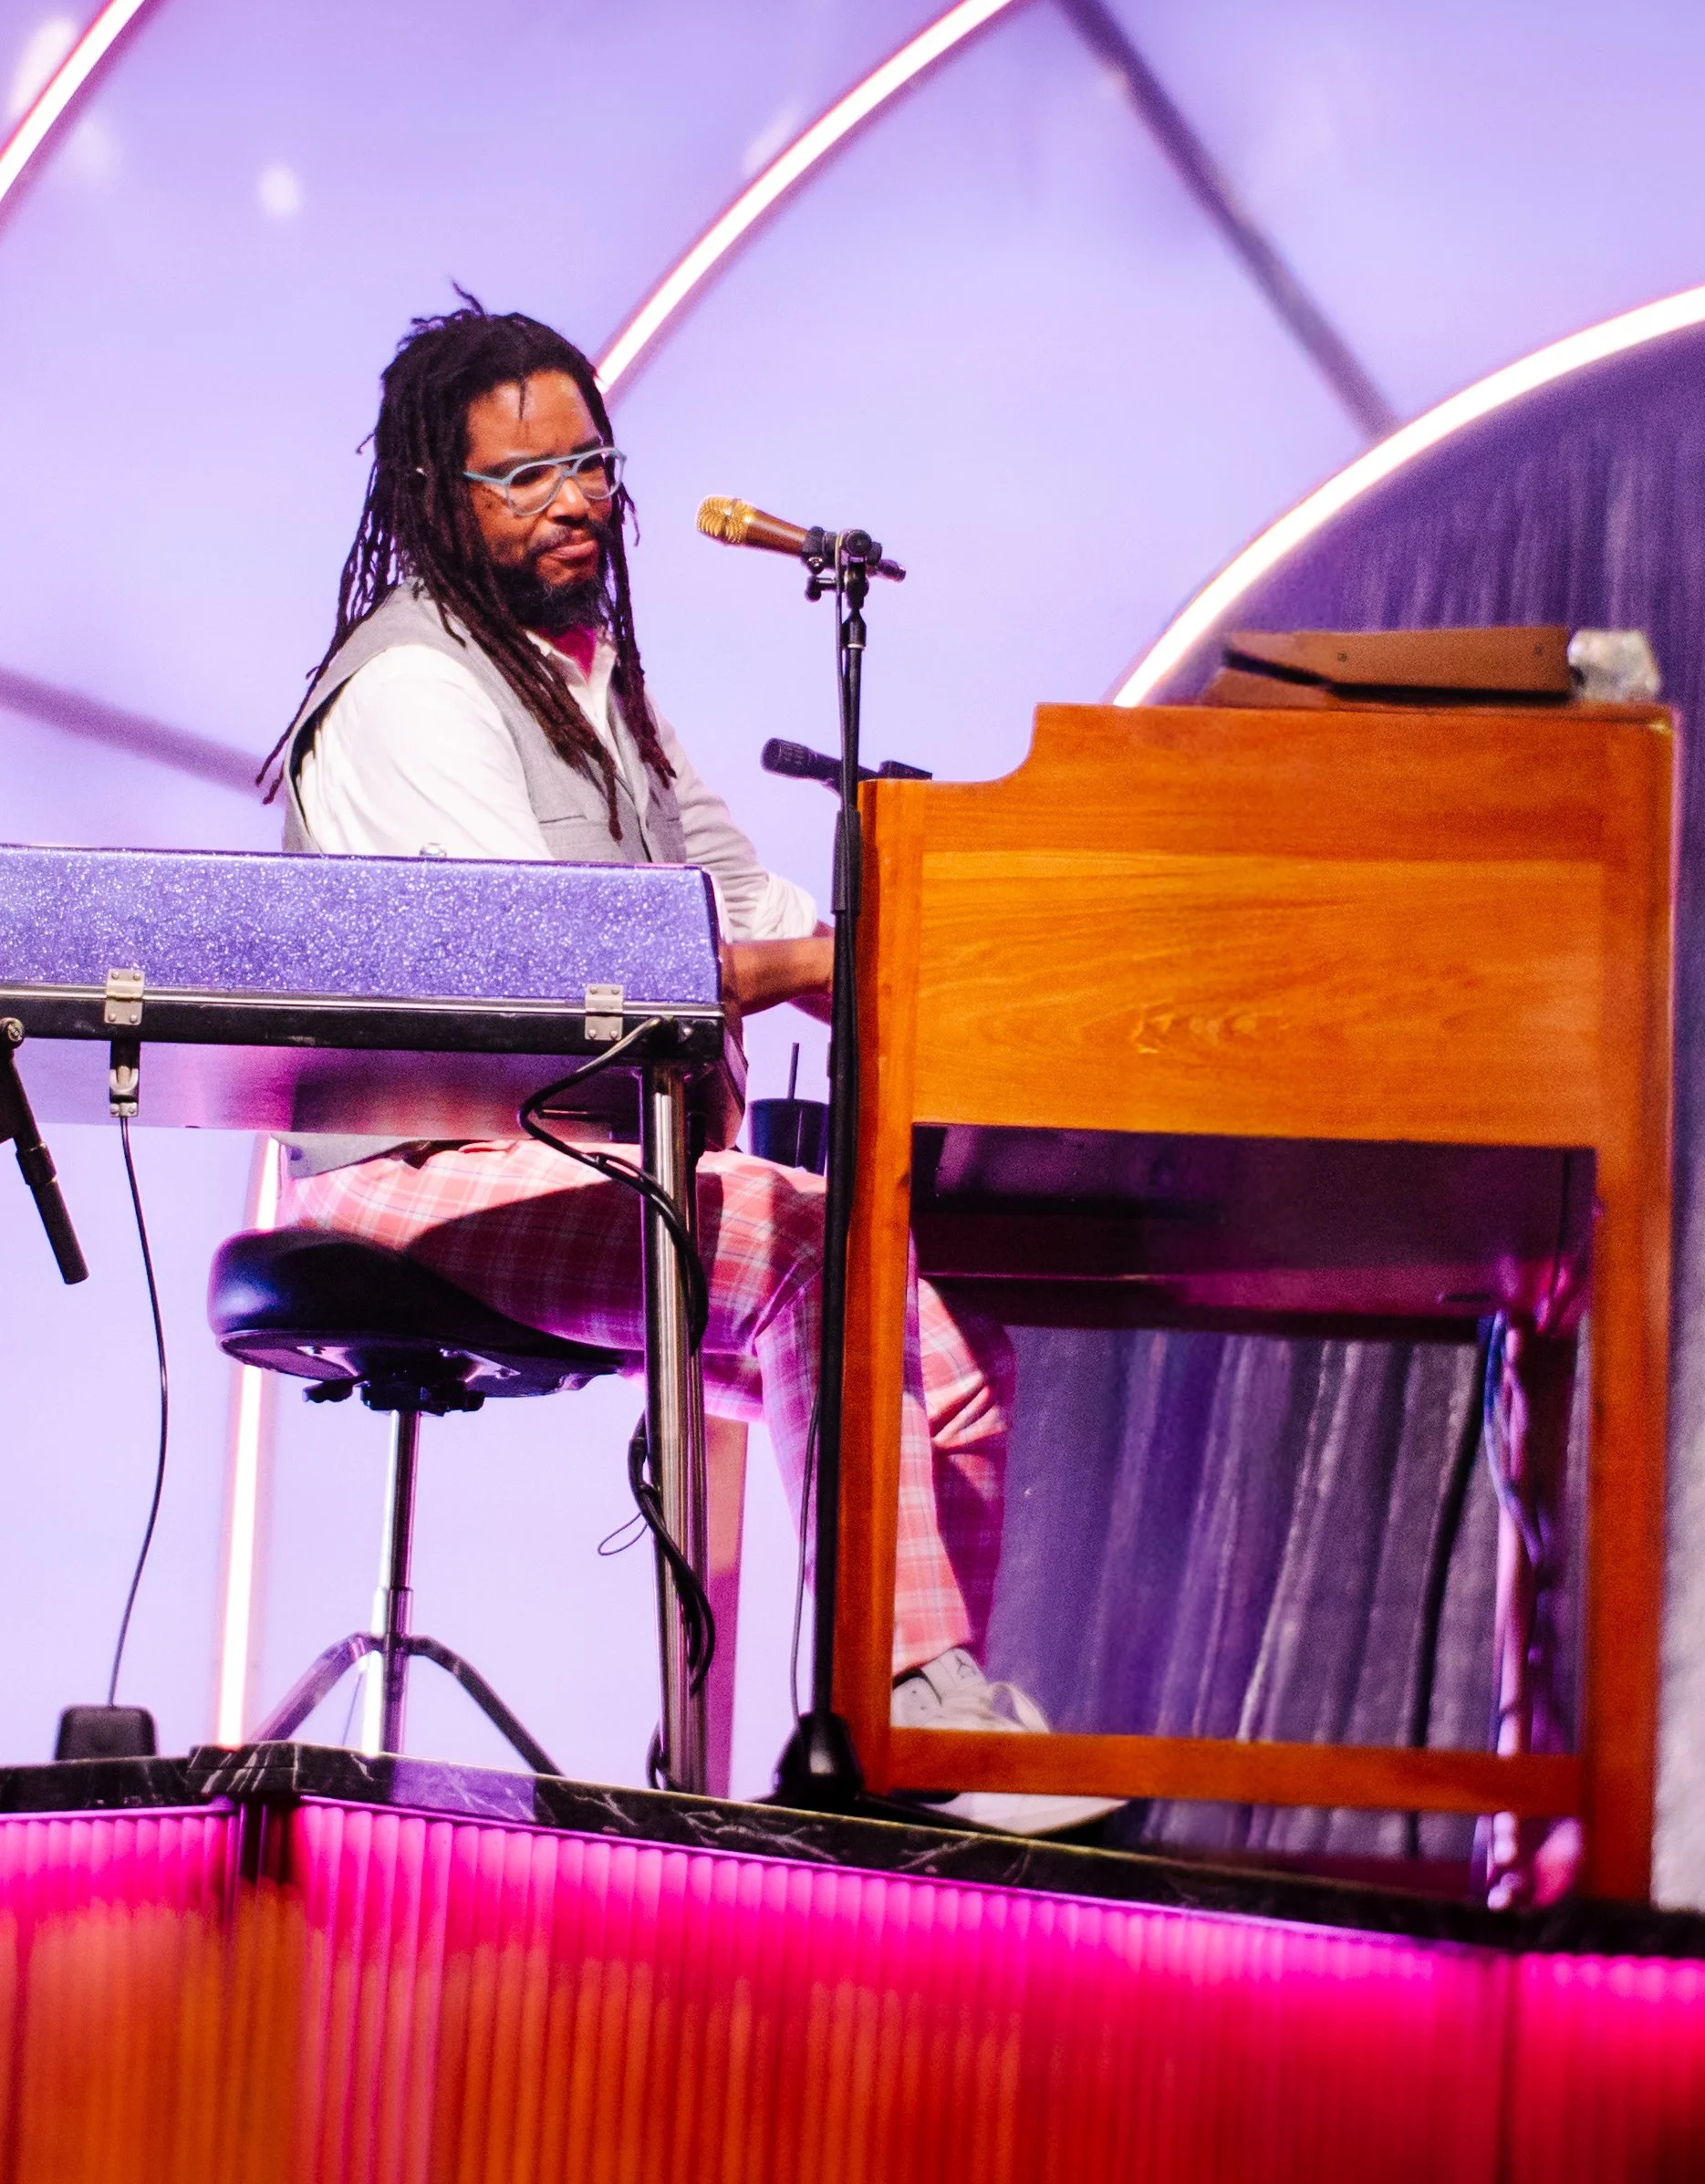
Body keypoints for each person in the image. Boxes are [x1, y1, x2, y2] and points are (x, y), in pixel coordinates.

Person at [266, 297, 1114, 1836]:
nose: (576, 495)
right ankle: (912, 1707)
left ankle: (926, 1737)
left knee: (949, 1336)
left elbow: (761, 911)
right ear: (433, 504)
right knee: (803, 1241)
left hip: (596, 1167)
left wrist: (1001, 956)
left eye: (590, 459)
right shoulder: (413, 689)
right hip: (411, 1186)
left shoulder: (593, 684)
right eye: (524, 476)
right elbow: (547, 973)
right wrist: (801, 972)